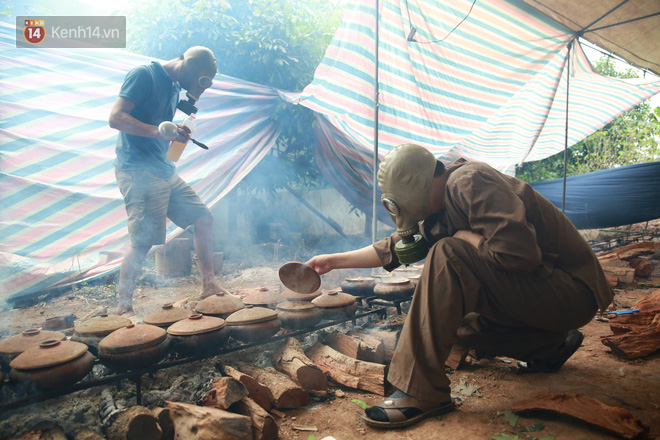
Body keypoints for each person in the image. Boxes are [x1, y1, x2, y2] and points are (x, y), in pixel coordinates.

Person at [306, 143, 614, 429]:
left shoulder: (468, 181)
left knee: (447, 252)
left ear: (415, 188)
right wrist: (333, 261)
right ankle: (548, 346)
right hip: (546, 297)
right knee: (452, 327)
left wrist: (464, 238)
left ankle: (421, 392)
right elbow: (394, 248)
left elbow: (520, 254)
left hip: (572, 292)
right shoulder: (441, 206)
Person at [109, 46, 228, 316]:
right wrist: (158, 132)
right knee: (143, 240)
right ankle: (124, 307)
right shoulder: (144, 75)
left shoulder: (175, 87)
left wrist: (178, 131)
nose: (197, 89)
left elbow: (165, 124)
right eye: (200, 82)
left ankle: (209, 284)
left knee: (203, 219)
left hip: (163, 168)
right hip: (138, 170)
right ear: (187, 66)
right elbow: (115, 118)